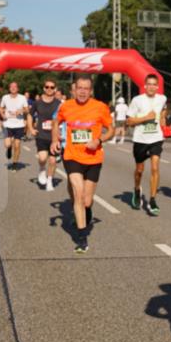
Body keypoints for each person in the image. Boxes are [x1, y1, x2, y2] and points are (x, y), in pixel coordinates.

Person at [50, 75, 113, 254]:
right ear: (74, 89)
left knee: (87, 201)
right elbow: (56, 122)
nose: (83, 91)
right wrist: (55, 139)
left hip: (93, 158)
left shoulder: (100, 107)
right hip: (72, 156)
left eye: (86, 88)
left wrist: (99, 140)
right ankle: (82, 236)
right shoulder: (66, 106)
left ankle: (86, 213)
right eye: (80, 88)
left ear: (90, 91)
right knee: (78, 194)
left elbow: (111, 130)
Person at [126, 74, 167, 215]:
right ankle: (137, 189)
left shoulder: (162, 98)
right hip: (140, 140)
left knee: (155, 168)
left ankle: (153, 199)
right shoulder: (137, 100)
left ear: (157, 87)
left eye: (154, 84)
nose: (151, 87)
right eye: (149, 84)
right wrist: (145, 118)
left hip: (156, 139)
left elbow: (164, 108)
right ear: (145, 86)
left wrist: (162, 118)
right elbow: (129, 122)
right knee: (139, 171)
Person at [26, 79, 62, 192]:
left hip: (54, 136)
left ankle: (50, 181)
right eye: (47, 87)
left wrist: (63, 133)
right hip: (41, 134)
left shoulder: (59, 103)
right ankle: (42, 169)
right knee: (42, 158)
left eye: (52, 87)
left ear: (55, 89)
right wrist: (31, 128)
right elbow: (30, 115)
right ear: (44, 88)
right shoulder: (38, 102)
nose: (49, 89)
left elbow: (65, 119)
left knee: (52, 161)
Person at [0, 82, 29, 170]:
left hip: (19, 124)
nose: (13, 88)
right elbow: (1, 108)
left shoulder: (22, 98)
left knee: (17, 145)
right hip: (8, 124)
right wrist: (2, 114)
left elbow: (27, 110)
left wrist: (21, 111)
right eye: (11, 86)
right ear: (9, 88)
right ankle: (9, 149)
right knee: (7, 144)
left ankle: (15, 164)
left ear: (18, 89)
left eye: (15, 86)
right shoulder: (5, 97)